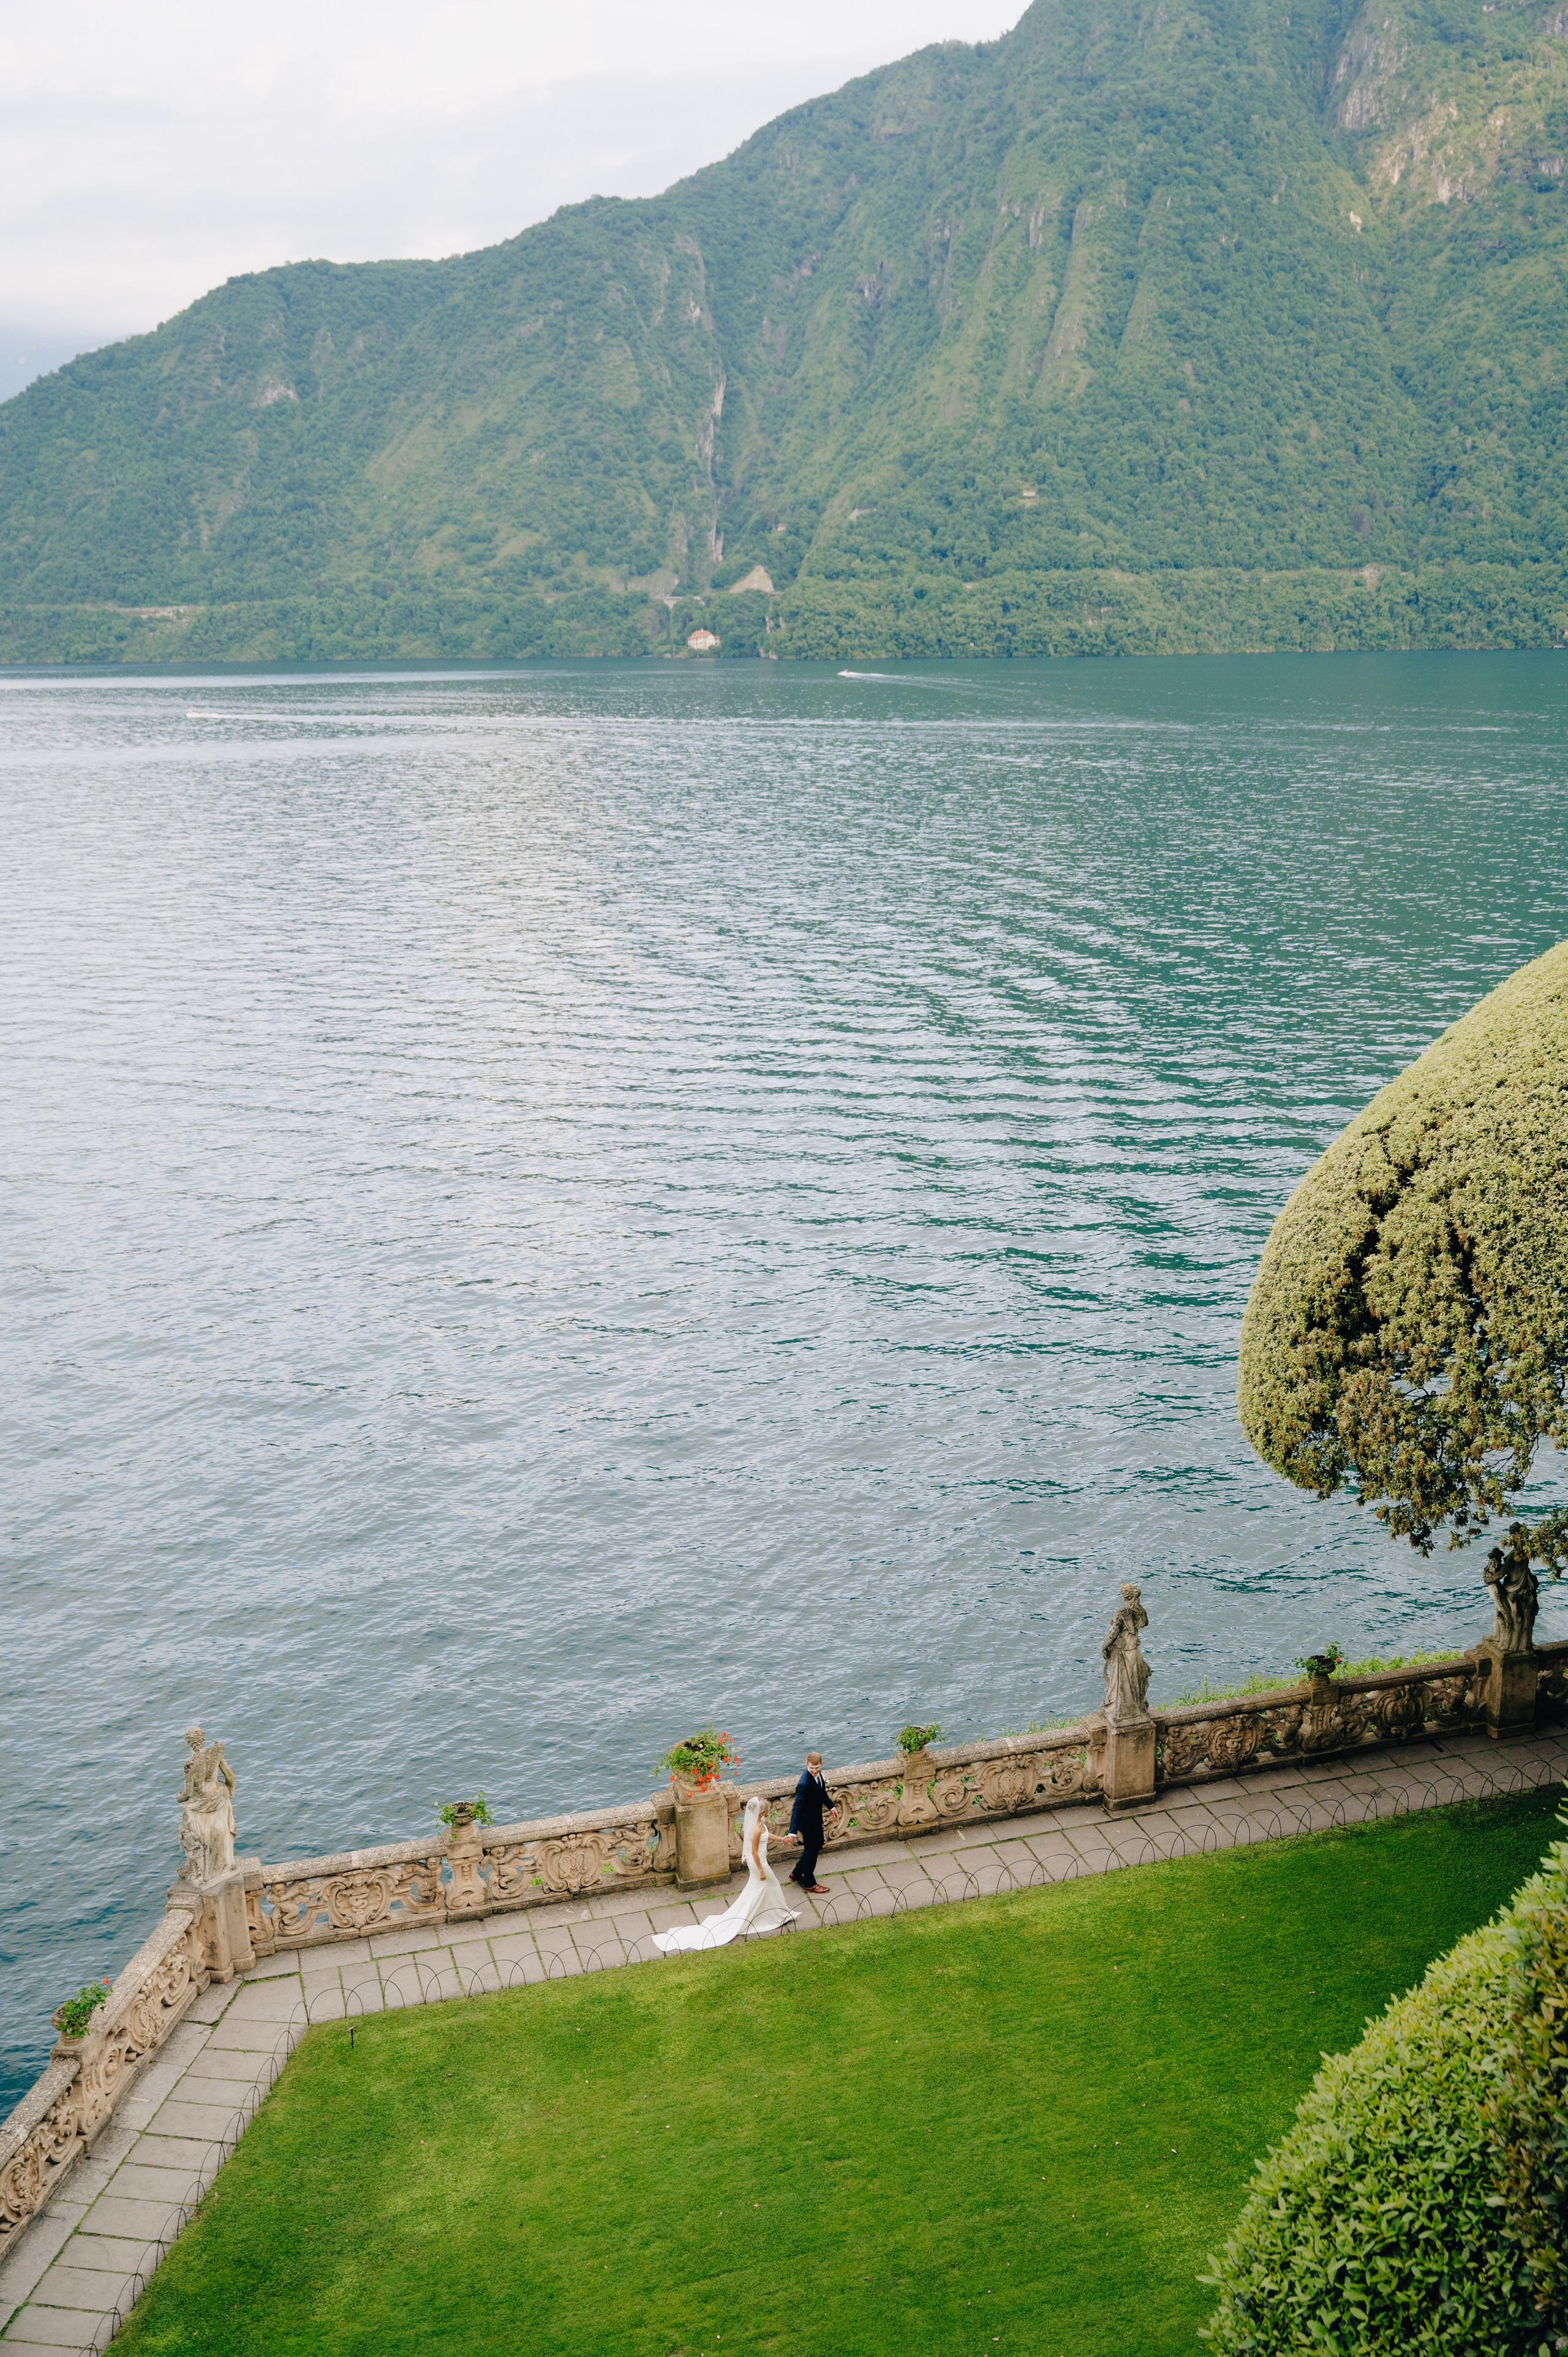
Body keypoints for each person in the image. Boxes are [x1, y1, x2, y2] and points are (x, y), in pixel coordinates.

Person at [652, 1795, 799, 1952]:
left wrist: (782, 1839)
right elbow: (755, 1853)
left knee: (761, 1888)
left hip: (759, 1861)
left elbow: (766, 1835)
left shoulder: (759, 1825)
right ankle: (777, 1915)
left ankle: (774, 1914)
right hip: (758, 1863)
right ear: (762, 1812)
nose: (768, 1808)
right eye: (765, 1808)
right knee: (771, 1884)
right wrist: (761, 1871)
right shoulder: (756, 1829)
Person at [788, 1750, 833, 1895]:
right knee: (812, 1850)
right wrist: (792, 1832)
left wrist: (832, 1807)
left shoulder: (819, 1776)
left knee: (818, 1844)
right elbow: (797, 1808)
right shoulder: (804, 1784)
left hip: (815, 1819)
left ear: (821, 1765)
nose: (814, 1771)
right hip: (807, 1822)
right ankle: (809, 1883)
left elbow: (822, 1793)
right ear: (807, 1765)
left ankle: (796, 1873)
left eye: (817, 1768)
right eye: (812, 1769)